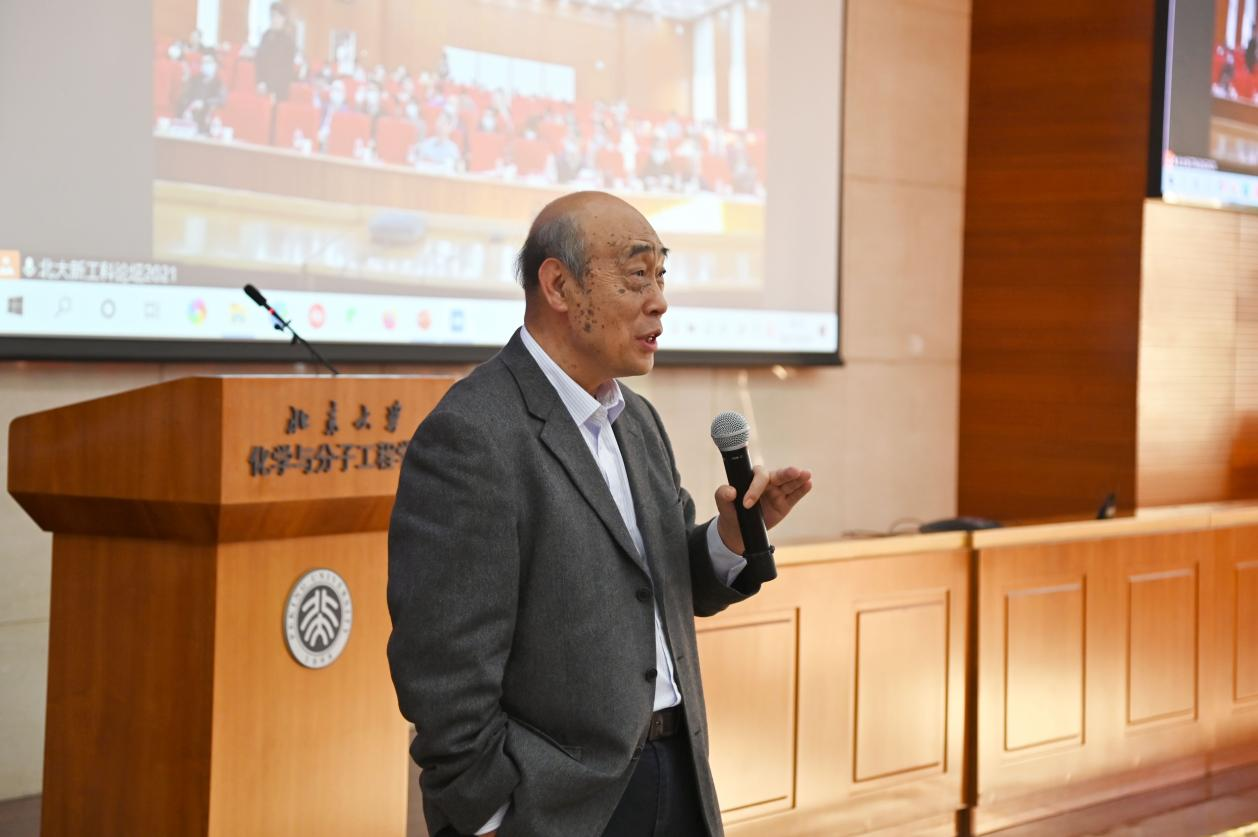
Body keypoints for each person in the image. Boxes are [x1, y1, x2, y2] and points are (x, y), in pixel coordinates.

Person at [387, 191, 812, 837]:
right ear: (558, 285)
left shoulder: (636, 420)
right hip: (554, 804)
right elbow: (441, 663)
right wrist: (491, 813)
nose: (659, 301)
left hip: (678, 774)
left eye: (661, 276)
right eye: (637, 275)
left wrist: (729, 540)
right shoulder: (473, 433)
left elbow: (662, 588)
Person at [255, 2, 297, 100]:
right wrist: (260, 81)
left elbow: (286, 69)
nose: (274, 19)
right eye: (272, 16)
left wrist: (273, 88)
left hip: (279, 88)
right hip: (263, 86)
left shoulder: (288, 40)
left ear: (284, 18)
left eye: (277, 16)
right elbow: (259, 60)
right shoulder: (266, 36)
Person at [178, 53, 226, 135]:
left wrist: (203, 103)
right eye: (203, 62)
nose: (205, 65)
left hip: (207, 119)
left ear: (215, 65)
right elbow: (184, 96)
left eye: (208, 62)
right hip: (189, 118)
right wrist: (189, 106)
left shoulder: (219, 83)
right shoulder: (193, 80)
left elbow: (221, 100)